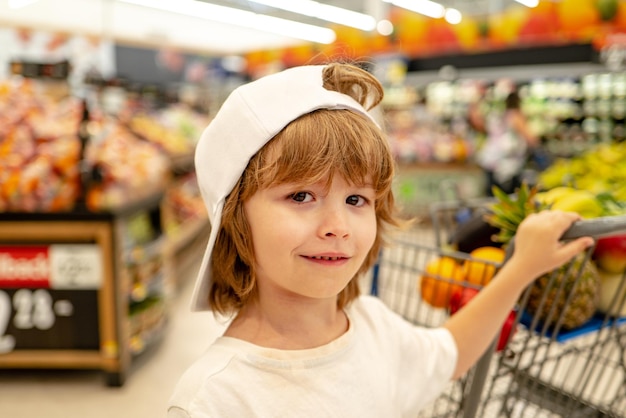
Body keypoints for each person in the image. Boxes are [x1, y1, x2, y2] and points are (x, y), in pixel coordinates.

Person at [168, 63, 593, 417]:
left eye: (357, 198)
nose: (338, 225)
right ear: (234, 216)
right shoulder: (214, 399)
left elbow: (449, 351)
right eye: (301, 196)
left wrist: (520, 269)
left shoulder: (373, 325)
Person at [471, 88, 539, 196]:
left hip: (491, 163)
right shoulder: (515, 116)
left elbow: (477, 122)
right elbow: (532, 139)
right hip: (508, 167)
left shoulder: (497, 117)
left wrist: (475, 102)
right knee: (508, 198)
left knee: (493, 196)